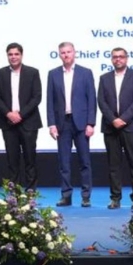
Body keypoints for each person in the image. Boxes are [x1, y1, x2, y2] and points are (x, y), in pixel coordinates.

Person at [46, 42, 97, 207]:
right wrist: (51, 124)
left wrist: (91, 123)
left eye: (69, 52)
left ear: (74, 53)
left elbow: (92, 99)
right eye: (63, 52)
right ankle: (66, 195)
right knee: (64, 162)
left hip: (81, 123)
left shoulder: (85, 73)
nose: (66, 55)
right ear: (59, 55)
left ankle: (86, 196)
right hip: (62, 123)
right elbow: (50, 101)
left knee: (85, 161)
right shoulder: (53, 74)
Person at [97, 47, 133, 209]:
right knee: (113, 165)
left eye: (121, 56)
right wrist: (113, 120)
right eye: (115, 57)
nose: (118, 59)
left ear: (126, 58)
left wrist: (123, 119)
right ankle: (115, 198)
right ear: (111, 59)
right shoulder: (104, 78)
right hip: (110, 127)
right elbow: (101, 101)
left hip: (131, 126)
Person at [0, 43, 41, 189]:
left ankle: (31, 191)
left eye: (16, 54)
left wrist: (20, 114)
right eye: (10, 54)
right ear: (7, 56)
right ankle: (15, 193)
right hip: (7, 123)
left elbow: (36, 97)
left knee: (30, 159)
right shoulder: (0, 73)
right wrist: (9, 114)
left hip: (28, 122)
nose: (13, 57)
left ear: (21, 55)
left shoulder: (33, 72)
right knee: (12, 160)